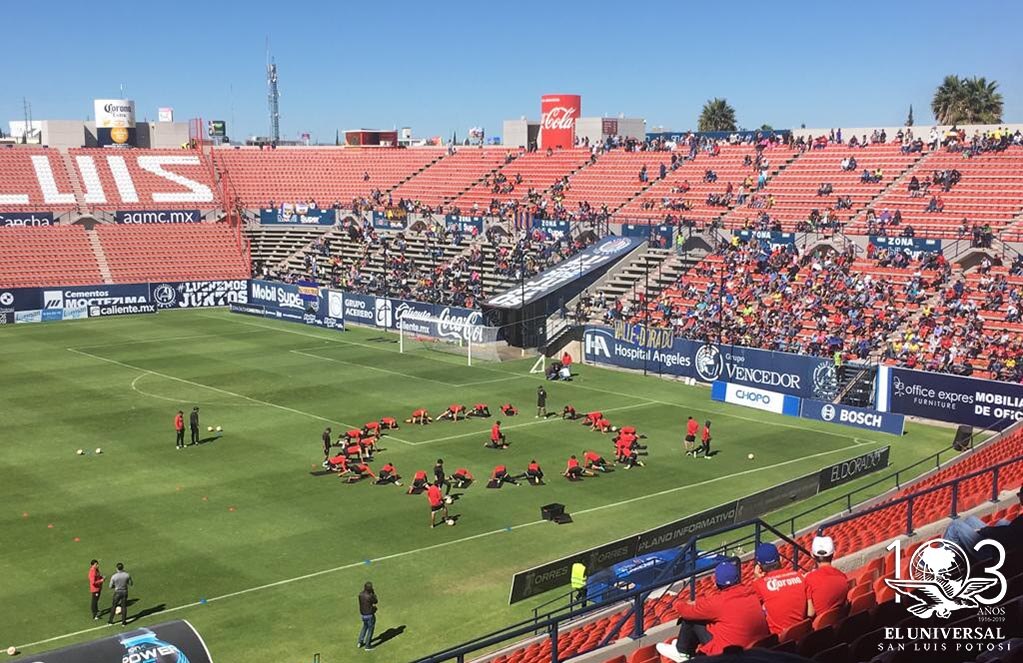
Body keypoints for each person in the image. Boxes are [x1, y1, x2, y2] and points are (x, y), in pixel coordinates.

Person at [655, 561, 770, 662]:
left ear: (717, 583)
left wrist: (679, 603)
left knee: (690, 619)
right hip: (756, 651)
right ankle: (683, 648)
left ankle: (682, 652)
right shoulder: (752, 594)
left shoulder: (720, 602)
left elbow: (686, 611)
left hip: (729, 655)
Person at [752, 543, 807, 635]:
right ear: (780, 559)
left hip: (779, 641)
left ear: (759, 566)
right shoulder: (798, 575)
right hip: (804, 635)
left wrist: (756, 579)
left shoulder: (759, 584)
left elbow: (751, 610)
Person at [804, 536, 849, 618]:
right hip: (840, 624)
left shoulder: (809, 579)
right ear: (833, 554)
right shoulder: (843, 576)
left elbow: (810, 613)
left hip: (820, 627)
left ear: (812, 555)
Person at [357, 582, 377, 650]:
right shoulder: (370, 596)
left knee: (364, 627)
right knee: (370, 630)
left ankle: (360, 642)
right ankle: (367, 646)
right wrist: (373, 594)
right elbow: (375, 601)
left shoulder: (360, 594)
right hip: (369, 615)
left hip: (363, 615)